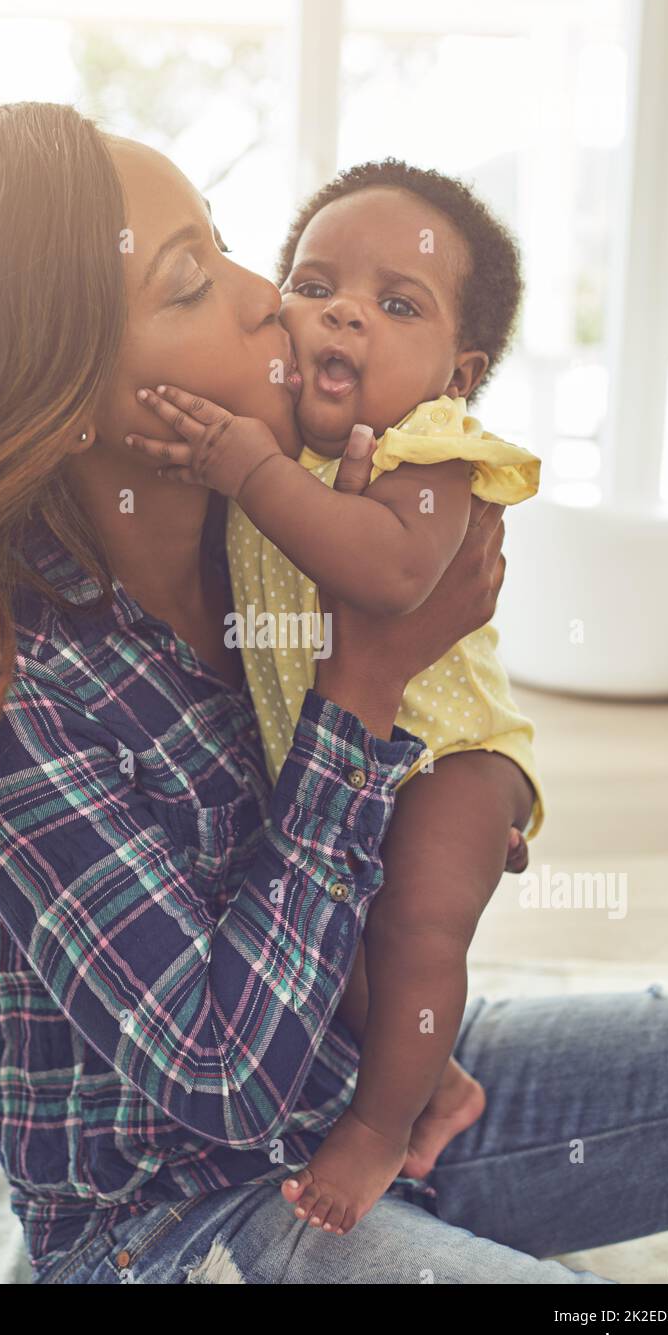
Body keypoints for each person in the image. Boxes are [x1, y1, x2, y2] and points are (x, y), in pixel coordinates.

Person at [0, 103, 668, 1286]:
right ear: (58, 399)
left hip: (364, 1101)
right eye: (191, 281)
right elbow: (218, 1072)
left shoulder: (275, 534)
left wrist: (446, 805)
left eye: (227, 241)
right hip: (175, 1223)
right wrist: (362, 689)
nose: (267, 297)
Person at [124, 157, 545, 1232]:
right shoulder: (287, 447)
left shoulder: (431, 449)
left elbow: (397, 578)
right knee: (336, 945)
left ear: (459, 370)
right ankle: (435, 1076)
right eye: (315, 287)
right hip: (353, 749)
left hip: (451, 754)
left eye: (395, 304)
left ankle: (378, 1128)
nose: (339, 314)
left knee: (412, 930)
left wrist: (243, 466)